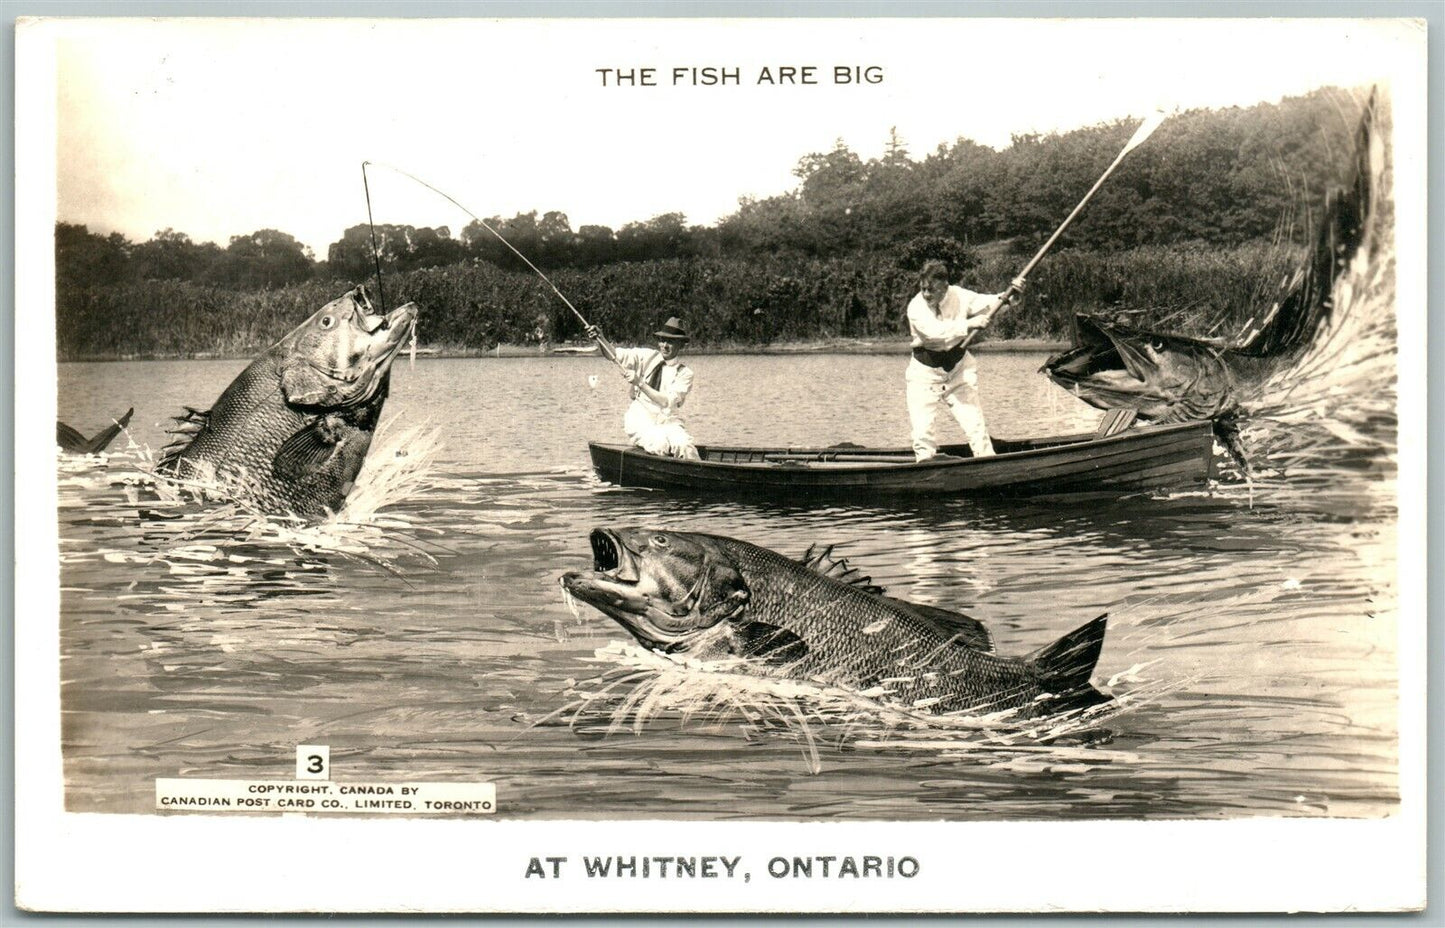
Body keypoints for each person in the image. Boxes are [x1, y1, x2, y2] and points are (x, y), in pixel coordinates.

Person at [905, 259, 1018, 461]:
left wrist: (1008, 296)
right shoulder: (916, 307)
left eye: (932, 290)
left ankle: (987, 462)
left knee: (975, 423)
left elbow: (989, 303)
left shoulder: (958, 294)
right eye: (923, 289)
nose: (927, 294)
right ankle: (925, 466)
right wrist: (969, 324)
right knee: (923, 430)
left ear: (945, 287)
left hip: (958, 368)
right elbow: (934, 334)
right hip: (925, 373)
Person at [585, 317, 700, 460]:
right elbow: (613, 355)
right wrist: (600, 338)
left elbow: (666, 402)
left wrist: (640, 383)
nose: (664, 345)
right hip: (641, 420)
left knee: (686, 446)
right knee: (660, 445)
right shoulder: (646, 356)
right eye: (662, 340)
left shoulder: (685, 373)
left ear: (680, 345)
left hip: (669, 422)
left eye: (670, 341)